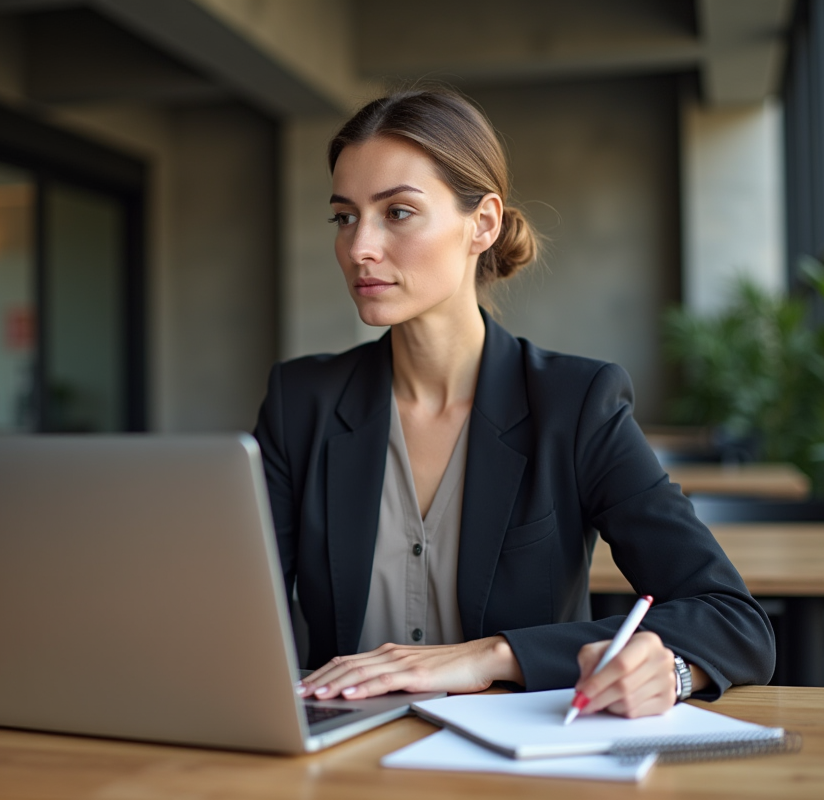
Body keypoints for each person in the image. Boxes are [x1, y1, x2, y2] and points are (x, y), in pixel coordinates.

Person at [253, 88, 774, 720]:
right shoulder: (300, 402)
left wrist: (493, 655)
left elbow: (733, 620)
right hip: (340, 760)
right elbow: (244, 622)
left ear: (484, 223)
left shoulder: (575, 403)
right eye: (344, 216)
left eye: (397, 213)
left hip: (516, 765)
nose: (360, 246)